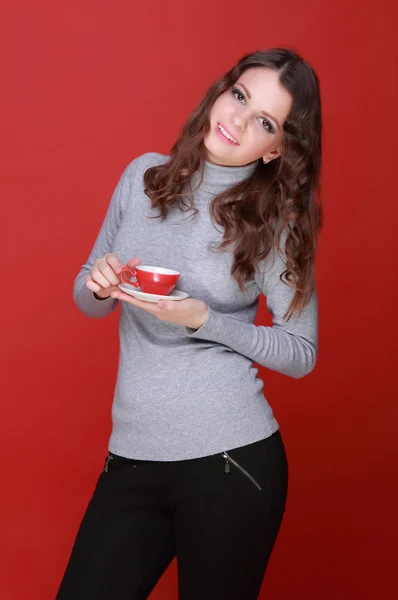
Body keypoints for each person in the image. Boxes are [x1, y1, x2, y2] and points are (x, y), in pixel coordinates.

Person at [56, 47, 322, 600]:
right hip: (132, 454)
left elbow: (301, 350)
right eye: (239, 97)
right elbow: (89, 295)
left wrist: (205, 319)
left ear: (277, 149)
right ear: (221, 92)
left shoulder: (275, 223)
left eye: (265, 122)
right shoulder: (143, 178)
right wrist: (98, 282)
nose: (237, 121)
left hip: (231, 462)